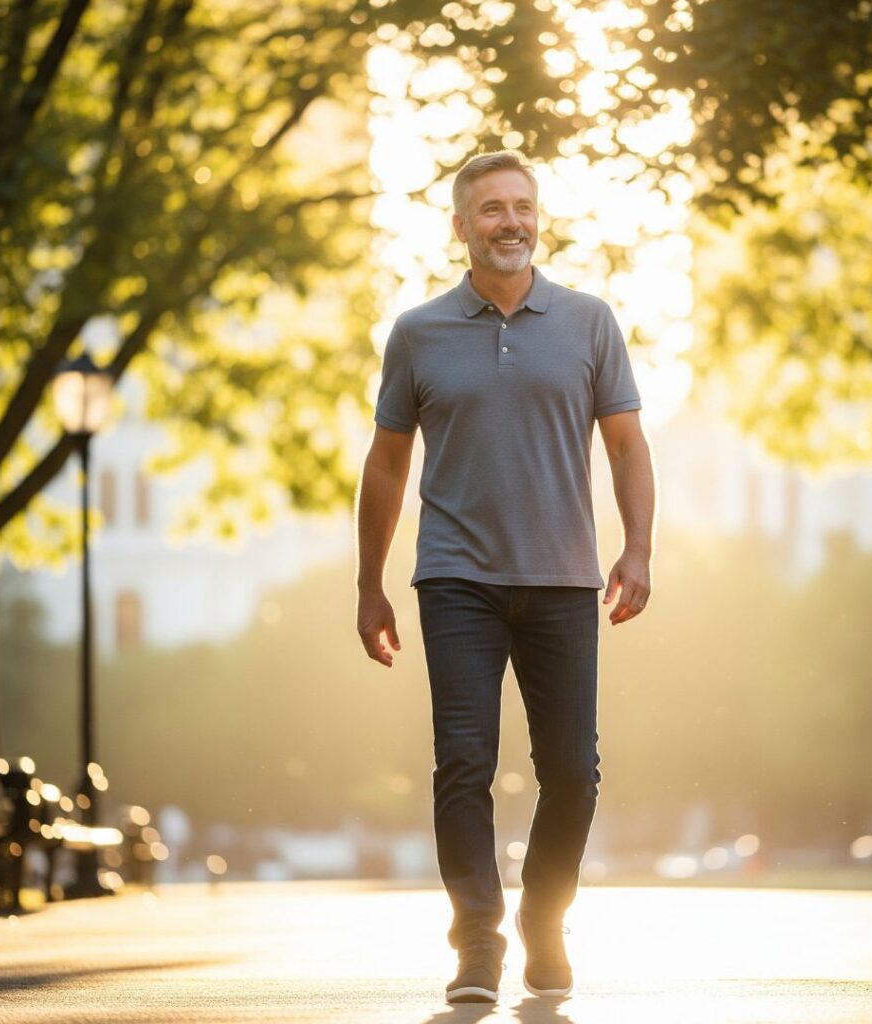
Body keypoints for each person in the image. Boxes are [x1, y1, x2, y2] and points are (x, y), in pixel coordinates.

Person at [355, 150, 655, 1004]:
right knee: (464, 764)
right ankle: (478, 944)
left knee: (572, 772)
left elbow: (629, 447)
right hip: (455, 581)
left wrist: (637, 549)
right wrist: (369, 585)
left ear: (539, 218)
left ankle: (544, 922)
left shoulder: (589, 322)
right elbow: (384, 466)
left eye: (522, 206)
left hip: (565, 580)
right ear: (461, 227)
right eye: (491, 209)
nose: (511, 221)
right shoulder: (417, 333)